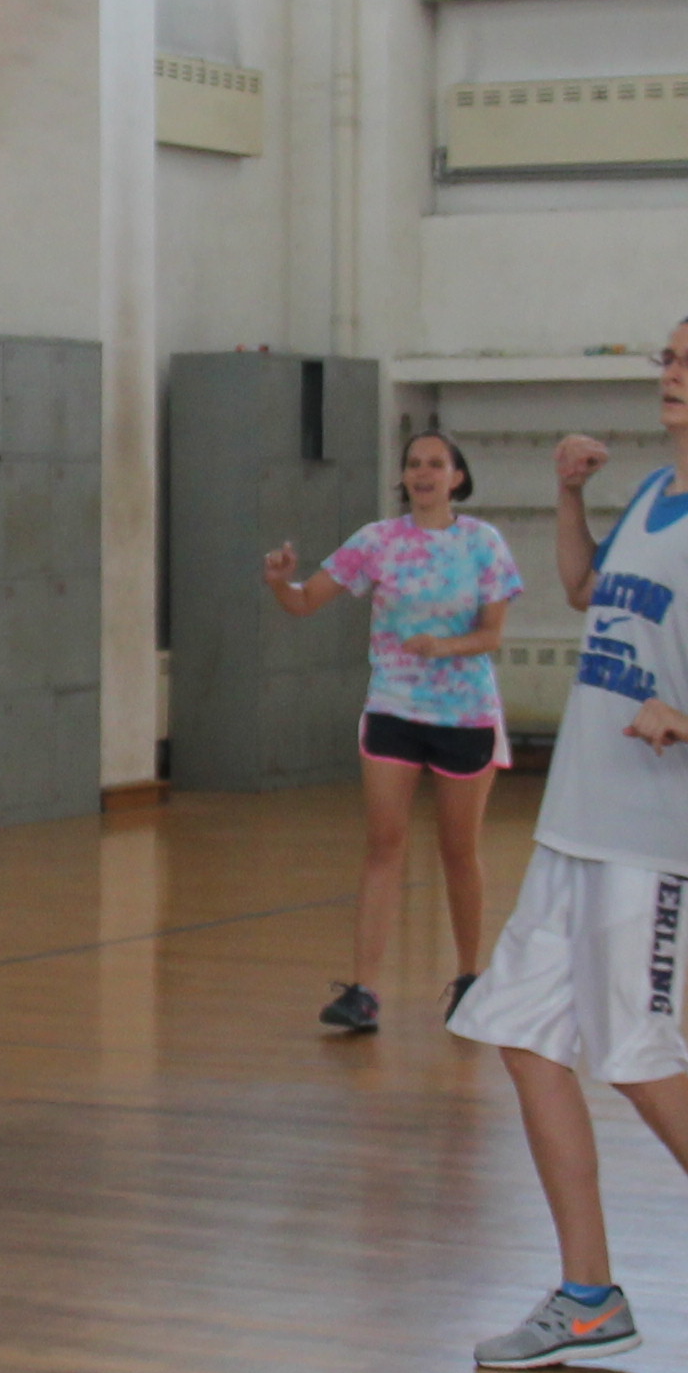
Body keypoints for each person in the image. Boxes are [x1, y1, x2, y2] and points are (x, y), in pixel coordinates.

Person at [453, 307, 688, 1373]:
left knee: (641, 1060)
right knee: (525, 1037)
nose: (673, 373)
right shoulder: (659, 493)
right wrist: (570, 497)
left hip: (655, 832)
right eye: (668, 358)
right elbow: (584, 592)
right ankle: (588, 1298)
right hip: (578, 818)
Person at [264, 428, 526, 1035]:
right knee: (383, 845)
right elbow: (304, 602)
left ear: (457, 477)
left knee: (458, 850)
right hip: (394, 709)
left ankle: (469, 978)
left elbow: (492, 634)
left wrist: (444, 646)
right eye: (413, 464)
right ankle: (363, 991)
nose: (423, 473)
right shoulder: (376, 541)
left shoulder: (483, 543)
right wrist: (281, 581)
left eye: (436, 464)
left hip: (464, 712)